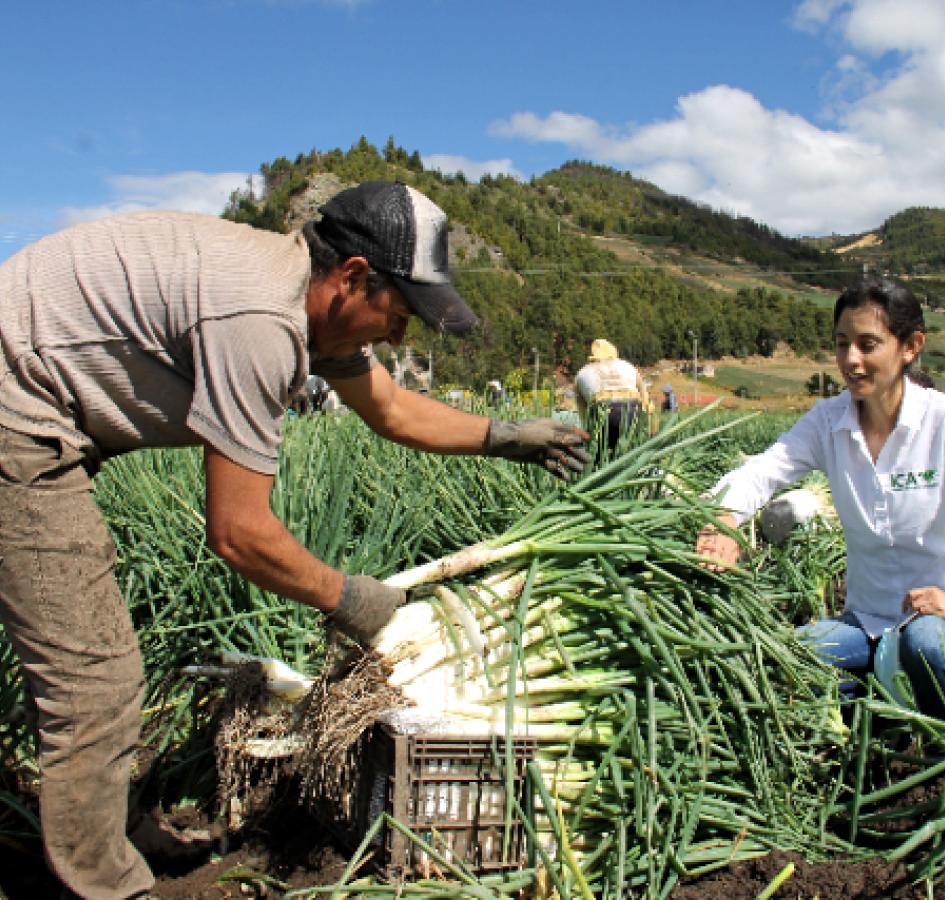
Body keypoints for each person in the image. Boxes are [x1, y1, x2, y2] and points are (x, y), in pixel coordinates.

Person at [0, 180, 589, 899]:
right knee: (95, 677)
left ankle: (108, 834)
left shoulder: (309, 304)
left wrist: (506, 436)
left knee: (92, 661)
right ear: (353, 278)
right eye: (399, 314)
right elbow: (239, 533)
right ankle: (102, 885)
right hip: (15, 417)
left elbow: (391, 408)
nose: (398, 338)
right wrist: (349, 599)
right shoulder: (261, 321)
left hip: (39, 410)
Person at [695, 278, 945, 722]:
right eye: (841, 344)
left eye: (868, 345)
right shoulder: (827, 422)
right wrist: (725, 518)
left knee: (925, 643)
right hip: (869, 620)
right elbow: (762, 471)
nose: (851, 359)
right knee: (788, 656)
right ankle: (872, 706)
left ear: (911, 347)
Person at [574, 339, 651, 452]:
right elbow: (644, 393)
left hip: (605, 412)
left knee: (604, 451)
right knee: (632, 450)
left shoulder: (582, 373)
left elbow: (583, 410)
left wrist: (589, 431)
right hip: (632, 410)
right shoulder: (627, 365)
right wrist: (645, 415)